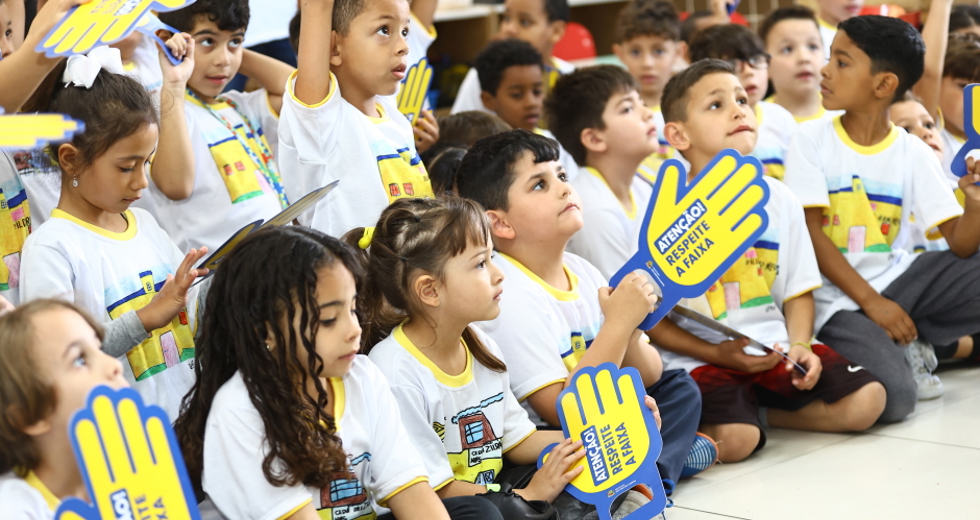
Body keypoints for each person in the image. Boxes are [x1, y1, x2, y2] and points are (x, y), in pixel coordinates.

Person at [641, 59, 887, 463]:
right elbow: (654, 319)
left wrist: (801, 345)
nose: (740, 109)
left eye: (742, 98)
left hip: (773, 346)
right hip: (699, 357)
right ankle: (744, 421)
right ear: (678, 134)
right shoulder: (666, 209)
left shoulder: (779, 197)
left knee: (869, 401)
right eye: (717, 105)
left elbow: (798, 291)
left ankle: (765, 414)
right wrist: (717, 354)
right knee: (736, 443)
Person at [351, 197, 657, 516]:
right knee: (495, 511)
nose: (499, 274)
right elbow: (435, 489)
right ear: (429, 290)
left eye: (491, 257)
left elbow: (519, 441)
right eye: (480, 263)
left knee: (580, 472)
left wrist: (604, 435)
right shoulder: (396, 370)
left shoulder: (480, 344)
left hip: (495, 487)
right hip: (448, 505)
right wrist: (527, 493)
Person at [174, 226, 503, 520]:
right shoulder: (239, 410)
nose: (353, 330)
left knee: (476, 512)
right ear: (266, 331)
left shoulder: (362, 376)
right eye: (329, 320)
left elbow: (411, 492)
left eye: (351, 308)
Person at [456, 130, 708, 490]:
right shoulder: (506, 292)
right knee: (571, 452)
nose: (563, 188)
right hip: (550, 435)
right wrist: (617, 325)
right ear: (501, 223)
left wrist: (632, 327)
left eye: (561, 176)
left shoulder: (583, 270)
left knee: (679, 387)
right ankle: (653, 476)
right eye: (539, 185)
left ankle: (647, 469)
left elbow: (651, 374)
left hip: (602, 413)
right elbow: (560, 410)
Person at [783, 16, 980, 419]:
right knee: (899, 399)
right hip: (834, 300)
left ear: (883, 84)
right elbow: (812, 236)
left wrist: (974, 203)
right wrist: (873, 305)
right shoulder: (810, 140)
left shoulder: (913, 152)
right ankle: (898, 341)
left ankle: (914, 336)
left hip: (896, 282)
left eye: (842, 62)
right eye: (830, 58)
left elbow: (960, 243)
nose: (824, 69)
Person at [19, 53, 208, 420]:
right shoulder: (51, 247)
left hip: (190, 430)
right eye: (126, 167)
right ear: (70, 159)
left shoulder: (145, 225)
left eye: (147, 163)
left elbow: (196, 318)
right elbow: (54, 358)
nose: (141, 182)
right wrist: (146, 318)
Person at [278, 0, 435, 238]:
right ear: (333, 49)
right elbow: (317, 6)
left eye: (405, 31)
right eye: (384, 30)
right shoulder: (323, 122)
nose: (404, 46)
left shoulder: (395, 117)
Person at [153, 0, 295, 254]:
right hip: (217, 279)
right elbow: (176, 186)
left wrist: (234, 52)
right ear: (166, 41)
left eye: (235, 42)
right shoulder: (164, 108)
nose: (223, 60)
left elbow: (296, 90)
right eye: (207, 41)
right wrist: (173, 82)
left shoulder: (237, 105)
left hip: (274, 259)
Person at [0, 300, 129, 518]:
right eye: (80, 360)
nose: (115, 366)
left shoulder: (127, 471)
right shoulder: (13, 510)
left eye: (98, 348)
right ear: (30, 416)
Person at [0, 0, 91, 308]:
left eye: (10, 33)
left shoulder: (25, 131)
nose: (9, 49)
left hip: (34, 313)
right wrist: (42, 41)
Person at [546, 65, 657, 280]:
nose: (647, 113)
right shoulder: (593, 210)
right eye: (627, 109)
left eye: (641, 102)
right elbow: (627, 299)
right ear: (594, 139)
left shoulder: (640, 186)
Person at [689, 23, 798, 181]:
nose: (749, 71)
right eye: (732, 64)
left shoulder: (781, 118)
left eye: (755, 59)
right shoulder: (702, 127)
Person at [472, 38, 578, 178]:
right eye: (517, 95)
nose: (531, 102)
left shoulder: (555, 144)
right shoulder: (480, 157)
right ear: (488, 100)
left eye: (537, 91)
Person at [451, 0, 571, 115]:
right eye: (506, 18)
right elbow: (459, 132)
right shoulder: (481, 76)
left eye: (525, 22)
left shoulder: (570, 77)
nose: (509, 29)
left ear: (556, 31)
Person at [611, 0, 687, 179]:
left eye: (658, 51)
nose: (647, 63)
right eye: (635, 52)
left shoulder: (690, 109)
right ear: (619, 53)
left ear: (678, 52)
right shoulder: (613, 114)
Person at [759, 6, 843, 123]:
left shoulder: (844, 113)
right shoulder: (757, 120)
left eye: (812, 46)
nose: (804, 58)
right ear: (765, 63)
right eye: (787, 49)